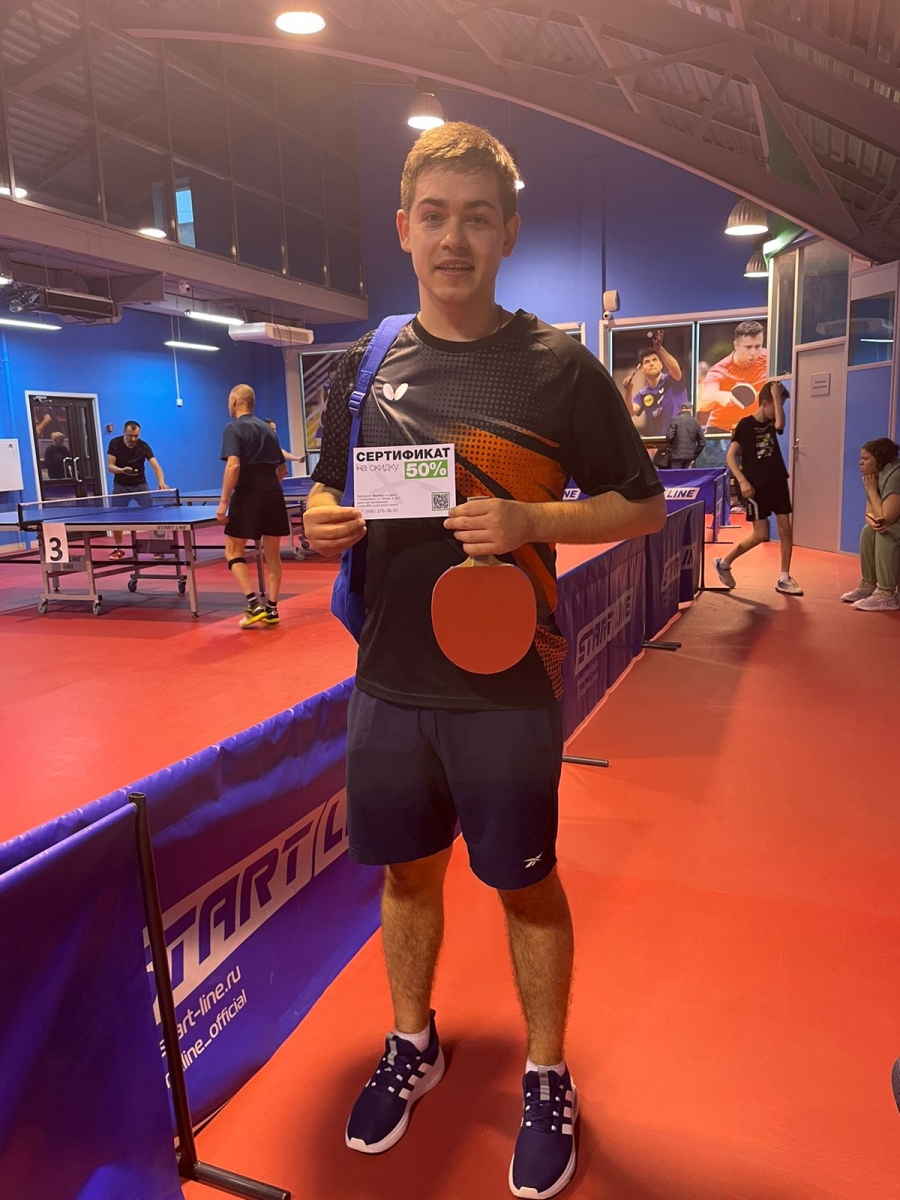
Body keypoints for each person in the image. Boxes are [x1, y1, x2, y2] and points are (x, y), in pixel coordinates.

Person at [303, 121, 666, 1199]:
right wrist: (320, 518)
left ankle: (546, 1074)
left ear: (508, 232)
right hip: (387, 683)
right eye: (434, 216)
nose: (452, 237)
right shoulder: (363, 366)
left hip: (508, 689)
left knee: (525, 882)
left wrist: (531, 521)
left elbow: (644, 505)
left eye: (475, 217)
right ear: (403, 229)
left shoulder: (558, 367)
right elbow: (328, 489)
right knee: (407, 875)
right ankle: (412, 1042)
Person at [714, 380, 802, 596]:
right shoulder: (745, 425)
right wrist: (742, 481)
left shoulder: (773, 424)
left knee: (785, 528)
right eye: (776, 404)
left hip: (777, 482)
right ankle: (724, 562)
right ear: (764, 403)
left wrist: (777, 396)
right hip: (755, 487)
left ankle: (784, 577)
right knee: (760, 534)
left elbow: (780, 424)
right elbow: (730, 456)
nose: (778, 410)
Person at [217, 385, 290, 629]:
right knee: (273, 554)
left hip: (248, 493)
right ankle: (272, 609)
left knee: (232, 550)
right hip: (273, 493)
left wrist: (224, 501)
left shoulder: (232, 428)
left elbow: (233, 465)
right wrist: (268, 486)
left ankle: (253, 605)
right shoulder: (269, 430)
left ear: (234, 401)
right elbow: (282, 469)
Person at [840, 437, 900, 612]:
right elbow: (870, 514)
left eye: (865, 459)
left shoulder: (895, 475)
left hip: (893, 523)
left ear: (879, 460)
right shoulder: (874, 476)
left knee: (886, 531)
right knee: (868, 531)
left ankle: (887, 594)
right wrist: (873, 520)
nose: (860, 463)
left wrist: (872, 491)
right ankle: (869, 584)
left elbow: (886, 517)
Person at [106, 421, 170, 559]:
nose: (133, 439)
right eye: (130, 436)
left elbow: (156, 467)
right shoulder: (115, 443)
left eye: (136, 436)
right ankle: (119, 549)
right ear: (124, 432)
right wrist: (122, 470)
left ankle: (157, 548)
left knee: (152, 515)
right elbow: (110, 466)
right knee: (116, 518)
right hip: (121, 486)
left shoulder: (143, 446)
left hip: (140, 485)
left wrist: (161, 482)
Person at [698, 319, 769, 434]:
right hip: (721, 430)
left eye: (757, 346)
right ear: (736, 345)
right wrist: (718, 395)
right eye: (748, 347)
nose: (753, 352)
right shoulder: (719, 370)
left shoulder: (769, 358)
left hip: (756, 428)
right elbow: (704, 402)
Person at [622, 329, 688, 437]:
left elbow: (676, 370)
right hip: (661, 442)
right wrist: (628, 391)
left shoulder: (671, 380)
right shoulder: (643, 394)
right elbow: (630, 412)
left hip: (681, 438)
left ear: (661, 364)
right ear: (642, 369)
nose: (651, 364)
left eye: (654, 360)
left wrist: (659, 349)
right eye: (647, 362)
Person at [665, 402, 706, 468]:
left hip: (676, 455)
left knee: (675, 474)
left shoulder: (675, 420)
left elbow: (669, 437)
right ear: (691, 410)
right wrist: (694, 455)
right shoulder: (696, 422)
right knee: (686, 474)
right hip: (689, 457)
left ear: (681, 410)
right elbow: (702, 442)